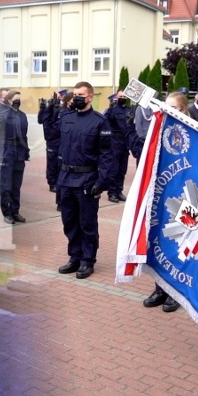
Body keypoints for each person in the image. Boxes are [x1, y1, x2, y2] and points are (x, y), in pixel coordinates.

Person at [56, 81, 114, 279]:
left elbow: (107, 154)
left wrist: (101, 182)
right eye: (75, 94)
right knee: (69, 221)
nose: (77, 97)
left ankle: (87, 260)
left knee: (87, 223)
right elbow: (51, 137)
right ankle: (75, 257)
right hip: (65, 178)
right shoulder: (66, 118)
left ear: (90, 96)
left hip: (87, 178)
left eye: (80, 94)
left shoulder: (99, 121)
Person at [142, 91, 187, 313]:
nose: (169, 112)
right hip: (161, 196)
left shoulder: (194, 133)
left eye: (174, 108)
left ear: (183, 110)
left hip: (185, 197)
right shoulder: (158, 131)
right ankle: (160, 288)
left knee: (179, 242)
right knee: (159, 241)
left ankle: (175, 291)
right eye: (166, 107)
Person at [0, 90, 30, 224]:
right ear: (9, 101)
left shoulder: (23, 116)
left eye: (19, 99)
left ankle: (15, 211)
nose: (18, 102)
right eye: (15, 99)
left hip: (19, 153)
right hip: (7, 152)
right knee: (6, 184)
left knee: (16, 185)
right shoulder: (3, 115)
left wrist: (26, 152)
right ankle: (7, 212)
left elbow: (24, 135)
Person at [104, 90, 131, 203]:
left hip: (125, 144)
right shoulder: (112, 110)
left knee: (122, 170)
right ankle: (112, 192)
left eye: (125, 96)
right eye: (121, 96)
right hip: (114, 143)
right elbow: (106, 123)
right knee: (113, 170)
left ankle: (119, 191)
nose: (123, 98)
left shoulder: (129, 110)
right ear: (116, 97)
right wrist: (111, 108)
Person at [38, 89, 65, 193]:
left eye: (60, 97)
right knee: (52, 163)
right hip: (52, 140)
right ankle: (52, 183)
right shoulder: (50, 108)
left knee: (59, 163)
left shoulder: (63, 109)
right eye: (58, 97)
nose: (60, 99)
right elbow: (42, 120)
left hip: (61, 140)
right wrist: (46, 108)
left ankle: (58, 181)